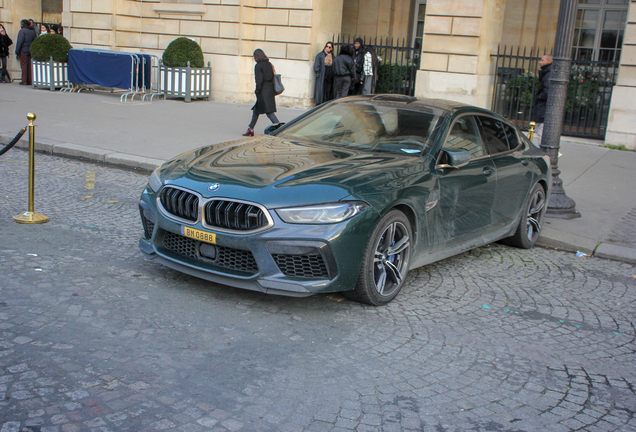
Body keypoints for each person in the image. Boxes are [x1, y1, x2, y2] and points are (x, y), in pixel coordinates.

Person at [242, 49, 280, 137]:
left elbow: (259, 81)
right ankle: (250, 128)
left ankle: (279, 126)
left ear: (257, 57)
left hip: (263, 91)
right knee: (256, 110)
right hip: (269, 89)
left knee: (269, 112)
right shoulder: (269, 64)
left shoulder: (258, 66)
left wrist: (257, 91)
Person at [531, 54, 553, 144]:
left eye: (542, 60)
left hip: (543, 108)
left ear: (548, 61)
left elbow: (547, 91)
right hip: (543, 107)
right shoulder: (547, 72)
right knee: (539, 129)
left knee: (540, 130)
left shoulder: (548, 74)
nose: (540, 62)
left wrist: (539, 97)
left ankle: (544, 151)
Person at [15, 19, 37, 86]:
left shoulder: (22, 31)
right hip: (30, 50)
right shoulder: (33, 31)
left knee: (24, 65)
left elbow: (20, 42)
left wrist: (17, 51)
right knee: (30, 66)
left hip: (23, 50)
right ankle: (30, 81)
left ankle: (24, 81)